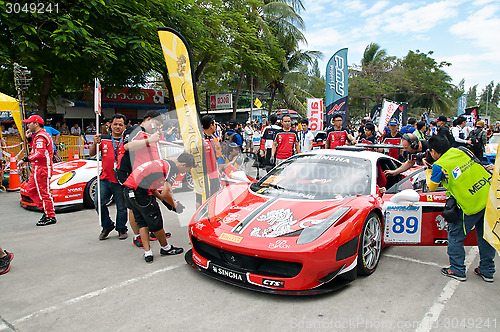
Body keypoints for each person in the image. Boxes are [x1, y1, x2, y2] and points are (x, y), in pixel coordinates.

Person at [426, 135, 496, 282]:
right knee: (486, 237)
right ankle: (487, 271)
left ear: (433, 151)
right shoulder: (462, 150)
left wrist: (428, 171)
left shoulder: (440, 165)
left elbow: (432, 186)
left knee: (455, 237)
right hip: (488, 198)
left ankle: (457, 270)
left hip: (469, 204)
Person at [123, 153, 194, 262]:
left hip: (129, 191)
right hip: (140, 193)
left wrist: (163, 200)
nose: (185, 173)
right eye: (187, 170)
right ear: (183, 165)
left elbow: (153, 189)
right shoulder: (172, 169)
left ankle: (148, 253)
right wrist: (174, 205)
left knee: (142, 222)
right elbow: (166, 193)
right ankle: (166, 248)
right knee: (156, 223)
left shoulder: (163, 163)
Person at [89, 113, 128, 241]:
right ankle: (107, 226)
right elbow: (92, 152)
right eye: (115, 124)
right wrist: (95, 143)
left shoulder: (127, 140)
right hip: (105, 178)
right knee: (98, 203)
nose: (117, 126)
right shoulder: (103, 138)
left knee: (121, 207)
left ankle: (121, 228)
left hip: (120, 180)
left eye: (120, 125)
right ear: (110, 125)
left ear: (124, 127)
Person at [18, 115, 56, 226]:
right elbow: (37, 150)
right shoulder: (38, 136)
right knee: (31, 189)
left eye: (29, 123)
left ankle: (50, 215)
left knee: (44, 192)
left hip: (42, 168)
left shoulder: (41, 136)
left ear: (36, 124)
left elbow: (39, 154)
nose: (27, 125)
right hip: (37, 167)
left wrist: (25, 159)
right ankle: (46, 210)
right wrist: (29, 139)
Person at [197, 115, 221, 209]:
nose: (215, 126)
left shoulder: (212, 138)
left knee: (214, 199)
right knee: (202, 200)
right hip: (206, 177)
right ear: (211, 125)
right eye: (214, 124)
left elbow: (216, 156)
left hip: (214, 175)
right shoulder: (201, 140)